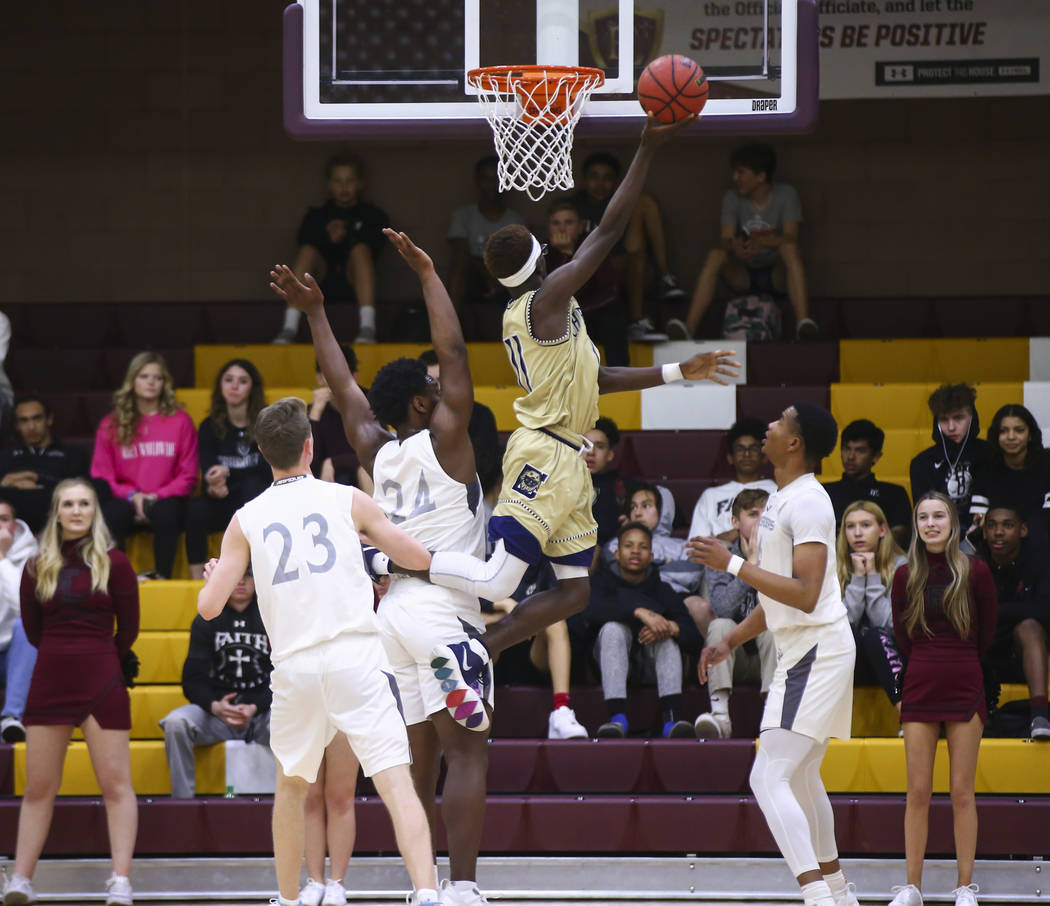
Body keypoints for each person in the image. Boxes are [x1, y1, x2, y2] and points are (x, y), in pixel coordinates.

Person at [420, 114, 738, 711]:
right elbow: (609, 230)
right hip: (543, 450)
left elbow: (600, 380)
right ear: (541, 261)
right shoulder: (544, 302)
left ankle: (477, 648)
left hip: (570, 455)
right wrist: (646, 144)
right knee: (500, 580)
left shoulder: (548, 312)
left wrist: (677, 372)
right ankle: (396, 567)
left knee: (572, 593)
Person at [270, 227, 495, 906]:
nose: (443, 383)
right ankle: (462, 886)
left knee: (416, 763)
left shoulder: (377, 448)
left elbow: (341, 385)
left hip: (389, 613)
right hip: (443, 607)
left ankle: (420, 884)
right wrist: (428, 273)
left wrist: (315, 314)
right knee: (468, 755)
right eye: (433, 386)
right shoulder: (450, 441)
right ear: (425, 404)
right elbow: (453, 349)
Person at [197, 397, 439, 906]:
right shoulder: (347, 499)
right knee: (396, 782)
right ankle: (427, 893)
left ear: (264, 452)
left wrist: (212, 576)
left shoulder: (246, 518)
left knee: (290, 790)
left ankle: (288, 899)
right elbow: (416, 558)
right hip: (357, 656)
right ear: (310, 447)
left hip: (296, 667)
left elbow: (210, 608)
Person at [688, 403, 860, 906]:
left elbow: (805, 593)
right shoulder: (779, 499)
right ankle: (838, 891)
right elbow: (778, 594)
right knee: (802, 776)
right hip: (804, 649)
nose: (769, 425)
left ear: (795, 443)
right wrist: (731, 640)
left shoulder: (808, 501)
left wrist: (732, 562)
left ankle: (816, 896)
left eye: (781, 421)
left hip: (816, 650)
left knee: (767, 776)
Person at [4, 479, 139, 906]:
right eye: (68, 504)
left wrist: (101, 658)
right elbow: (33, 627)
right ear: (57, 512)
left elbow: (130, 629)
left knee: (116, 784)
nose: (76, 511)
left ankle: (120, 881)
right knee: (38, 787)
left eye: (84, 503)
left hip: (103, 682)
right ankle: (21, 879)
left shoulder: (115, 563)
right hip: (50, 681)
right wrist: (68, 654)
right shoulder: (35, 565)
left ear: (93, 511)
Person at [888, 492, 998, 906]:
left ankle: (964, 888)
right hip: (920, 683)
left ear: (953, 522)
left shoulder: (977, 571)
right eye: (923, 517)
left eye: (938, 516)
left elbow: (987, 632)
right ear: (915, 524)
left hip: (965, 681)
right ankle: (912, 887)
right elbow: (902, 636)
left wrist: (958, 657)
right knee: (917, 792)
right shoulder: (905, 575)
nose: (931, 523)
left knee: (961, 793)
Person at [667, 142, 818, 341]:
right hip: (744, 274)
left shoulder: (786, 195)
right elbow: (725, 238)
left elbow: (791, 237)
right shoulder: (732, 197)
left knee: (789, 249)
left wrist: (761, 243)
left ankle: (802, 324)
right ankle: (689, 329)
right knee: (716, 255)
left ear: (761, 176)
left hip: (776, 275)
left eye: (741, 172)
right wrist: (735, 246)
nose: (735, 178)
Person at [160, 567, 272, 798]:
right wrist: (215, 706)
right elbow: (191, 680)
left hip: (263, 715)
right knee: (176, 723)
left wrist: (256, 706)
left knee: (297, 725)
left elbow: (284, 675)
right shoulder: (206, 619)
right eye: (236, 575)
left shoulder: (272, 617)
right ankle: (182, 803)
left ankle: (292, 803)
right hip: (216, 714)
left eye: (249, 575)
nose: (241, 581)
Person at [584, 522, 700, 739]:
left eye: (643, 547)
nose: (635, 551)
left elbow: (694, 637)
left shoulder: (662, 589)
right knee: (612, 629)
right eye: (629, 546)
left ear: (651, 555)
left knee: (666, 637)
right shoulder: (600, 583)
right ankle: (617, 720)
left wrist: (671, 627)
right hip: (606, 665)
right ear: (617, 554)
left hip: (649, 666)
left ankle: (671, 722)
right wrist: (639, 612)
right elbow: (590, 612)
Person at [90, 351, 199, 579]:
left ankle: (163, 577)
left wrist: (155, 496)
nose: (151, 382)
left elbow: (188, 476)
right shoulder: (111, 424)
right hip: (126, 499)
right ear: (132, 381)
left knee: (166, 512)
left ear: (164, 383)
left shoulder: (180, 421)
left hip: (165, 499)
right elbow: (102, 476)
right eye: (144, 376)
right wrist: (132, 495)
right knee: (111, 513)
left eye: (157, 378)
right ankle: (118, 580)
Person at [274, 151, 389, 345]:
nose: (344, 187)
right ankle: (289, 328)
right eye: (338, 181)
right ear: (329, 184)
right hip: (320, 281)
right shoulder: (317, 215)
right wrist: (327, 236)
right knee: (308, 251)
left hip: (355, 283)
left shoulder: (373, 215)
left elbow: (377, 243)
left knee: (360, 250)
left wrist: (348, 233)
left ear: (360, 183)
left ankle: (367, 328)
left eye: (349, 180)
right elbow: (303, 239)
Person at [572, 151, 684, 341]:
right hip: (587, 272)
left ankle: (663, 278)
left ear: (617, 182)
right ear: (584, 180)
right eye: (594, 177)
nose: (600, 184)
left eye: (607, 178)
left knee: (643, 209)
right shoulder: (575, 205)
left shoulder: (620, 203)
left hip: (624, 268)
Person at [691, 488, 776, 740]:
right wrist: (747, 567)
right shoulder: (720, 556)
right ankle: (720, 716)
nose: (761, 520)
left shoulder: (786, 554)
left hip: (770, 654)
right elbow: (724, 608)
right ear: (735, 522)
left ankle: (774, 719)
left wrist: (757, 567)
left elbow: (780, 607)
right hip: (733, 656)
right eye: (753, 514)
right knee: (720, 624)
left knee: (773, 624)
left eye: (767, 513)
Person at [185, 360, 271, 580]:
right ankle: (196, 578)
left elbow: (267, 473)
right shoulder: (209, 426)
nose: (234, 386)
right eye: (228, 380)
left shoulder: (265, 425)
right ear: (220, 386)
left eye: (242, 381)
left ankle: (257, 574)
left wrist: (229, 474)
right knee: (195, 509)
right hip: (222, 501)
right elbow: (207, 470)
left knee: (252, 486)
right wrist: (214, 485)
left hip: (254, 504)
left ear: (253, 388)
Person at [973, 502, 1050, 740]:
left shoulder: (1039, 561)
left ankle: (1040, 715)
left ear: (1023, 530)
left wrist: (994, 612)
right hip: (984, 649)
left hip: (1024, 653)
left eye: (1007, 525)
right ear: (984, 531)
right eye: (992, 526)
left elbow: (1044, 610)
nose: (998, 532)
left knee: (1029, 627)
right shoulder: (973, 561)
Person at [486, 560, 587, 739]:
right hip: (496, 654)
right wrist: (503, 605)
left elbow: (564, 608)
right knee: (478, 624)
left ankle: (561, 710)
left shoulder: (546, 565)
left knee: (555, 621)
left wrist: (523, 617)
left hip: (535, 654)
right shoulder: (491, 560)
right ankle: (467, 713)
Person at [836, 501, 907, 714]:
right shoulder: (834, 568)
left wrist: (873, 575)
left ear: (882, 530)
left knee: (876, 636)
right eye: (850, 526)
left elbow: (891, 624)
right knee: (847, 635)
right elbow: (843, 624)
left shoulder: (902, 566)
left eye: (866, 525)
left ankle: (907, 712)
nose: (857, 533)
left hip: (890, 657)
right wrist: (858, 578)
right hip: (849, 661)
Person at [446, 154, 527, 341]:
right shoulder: (463, 215)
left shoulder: (514, 219)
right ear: (477, 182)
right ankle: (450, 327)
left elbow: (518, 258)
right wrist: (487, 277)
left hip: (504, 276)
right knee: (460, 266)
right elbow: (461, 252)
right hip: (473, 273)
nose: (491, 185)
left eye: (497, 179)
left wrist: (497, 279)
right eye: (486, 179)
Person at [545, 198, 629, 366]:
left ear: (581, 227)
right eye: (556, 223)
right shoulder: (543, 256)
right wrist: (564, 255)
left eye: (568, 222)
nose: (562, 228)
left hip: (592, 317)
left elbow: (610, 292)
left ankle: (621, 374)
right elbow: (551, 296)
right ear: (549, 229)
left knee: (612, 320)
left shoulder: (593, 249)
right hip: (561, 321)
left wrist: (581, 312)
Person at [419, 348, 501, 502]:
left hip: (474, 496)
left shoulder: (480, 414)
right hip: (427, 499)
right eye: (431, 381)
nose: (438, 387)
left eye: (442, 379)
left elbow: (486, 465)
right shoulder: (417, 416)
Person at [0, 395, 91, 534]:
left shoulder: (72, 455)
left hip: (59, 523)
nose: (31, 426)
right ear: (17, 425)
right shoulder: (5, 457)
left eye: (37, 418)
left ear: (49, 419)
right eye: (24, 421)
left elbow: (81, 490)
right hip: (11, 529)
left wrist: (35, 477)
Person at [909, 384, 992, 532]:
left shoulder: (990, 453)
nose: (951, 427)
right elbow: (923, 513)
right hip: (939, 535)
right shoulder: (921, 462)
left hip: (985, 536)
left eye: (958, 418)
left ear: (972, 418)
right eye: (944, 420)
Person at [604, 482, 706, 597]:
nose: (637, 513)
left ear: (663, 510)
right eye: (633, 507)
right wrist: (665, 562)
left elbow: (691, 574)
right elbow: (618, 571)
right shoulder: (616, 544)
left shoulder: (685, 547)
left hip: (675, 598)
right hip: (630, 597)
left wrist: (641, 567)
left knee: (700, 607)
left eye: (646, 506)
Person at [823, 419, 912, 549]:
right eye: (847, 449)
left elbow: (900, 539)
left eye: (860, 450)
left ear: (876, 456)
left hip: (883, 566)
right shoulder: (824, 492)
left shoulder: (894, 494)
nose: (851, 456)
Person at [688, 418, 778, 542]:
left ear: (764, 457)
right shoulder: (711, 496)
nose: (747, 454)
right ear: (730, 458)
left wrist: (738, 533)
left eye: (753, 449)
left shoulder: (776, 491)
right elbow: (695, 544)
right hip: (718, 556)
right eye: (740, 449)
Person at [969, 404, 1050, 543]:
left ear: (1030, 435)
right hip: (998, 546)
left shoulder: (1047, 463)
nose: (1011, 437)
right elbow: (979, 519)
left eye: (1019, 430)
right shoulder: (984, 468)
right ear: (996, 435)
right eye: (1003, 431)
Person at [0, 500, 39, 743]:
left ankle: (11, 717)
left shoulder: (32, 557)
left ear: (15, 525)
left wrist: (2, 558)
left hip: (17, 658)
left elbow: (21, 603)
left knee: (26, 626)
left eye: (3, 519)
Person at [310, 347, 367, 490]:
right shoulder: (313, 411)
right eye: (329, 373)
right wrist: (315, 416)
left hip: (364, 478)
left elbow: (378, 454)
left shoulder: (370, 404)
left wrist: (334, 462)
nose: (335, 379)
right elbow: (309, 466)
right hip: (328, 482)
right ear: (319, 377)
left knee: (355, 474)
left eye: (341, 373)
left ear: (354, 377)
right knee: (341, 478)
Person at [585, 416, 634, 547]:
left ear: (610, 454)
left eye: (599, 446)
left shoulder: (625, 487)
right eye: (584, 445)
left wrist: (636, 522)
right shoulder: (559, 484)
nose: (591, 452)